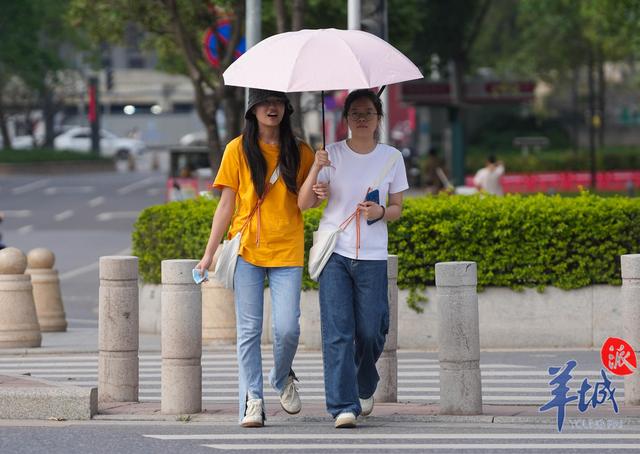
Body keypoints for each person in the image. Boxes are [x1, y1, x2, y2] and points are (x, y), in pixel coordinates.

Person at [196, 88, 315, 428]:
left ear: (286, 108)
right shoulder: (237, 149)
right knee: (248, 331)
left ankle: (282, 377)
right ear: (252, 110)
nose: (271, 108)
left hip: (287, 248)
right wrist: (208, 254)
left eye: (276, 102)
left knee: (287, 328)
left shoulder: (302, 152)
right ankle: (253, 398)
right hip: (246, 249)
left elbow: (308, 202)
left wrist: (319, 176)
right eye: (263, 102)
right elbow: (225, 205)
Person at [298, 89, 409, 428]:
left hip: (373, 255)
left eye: (368, 113)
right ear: (345, 119)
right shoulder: (329, 155)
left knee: (372, 329)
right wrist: (315, 172)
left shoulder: (392, 157)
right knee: (338, 332)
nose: (362, 119)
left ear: (379, 119)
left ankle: (364, 381)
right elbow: (304, 204)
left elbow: (398, 209)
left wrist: (379, 212)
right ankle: (343, 406)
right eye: (356, 113)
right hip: (336, 253)